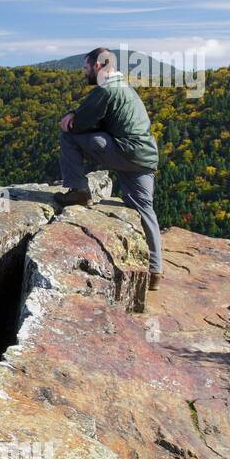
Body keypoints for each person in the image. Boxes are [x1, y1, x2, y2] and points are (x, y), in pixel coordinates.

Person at [55, 47, 163, 289]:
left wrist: (69, 119)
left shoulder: (105, 89)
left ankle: (79, 191)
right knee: (144, 208)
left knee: (69, 138)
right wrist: (77, 113)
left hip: (124, 152)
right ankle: (155, 272)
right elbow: (100, 118)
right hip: (145, 158)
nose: (84, 73)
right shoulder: (124, 86)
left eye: (85, 68)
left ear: (97, 66)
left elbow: (80, 125)